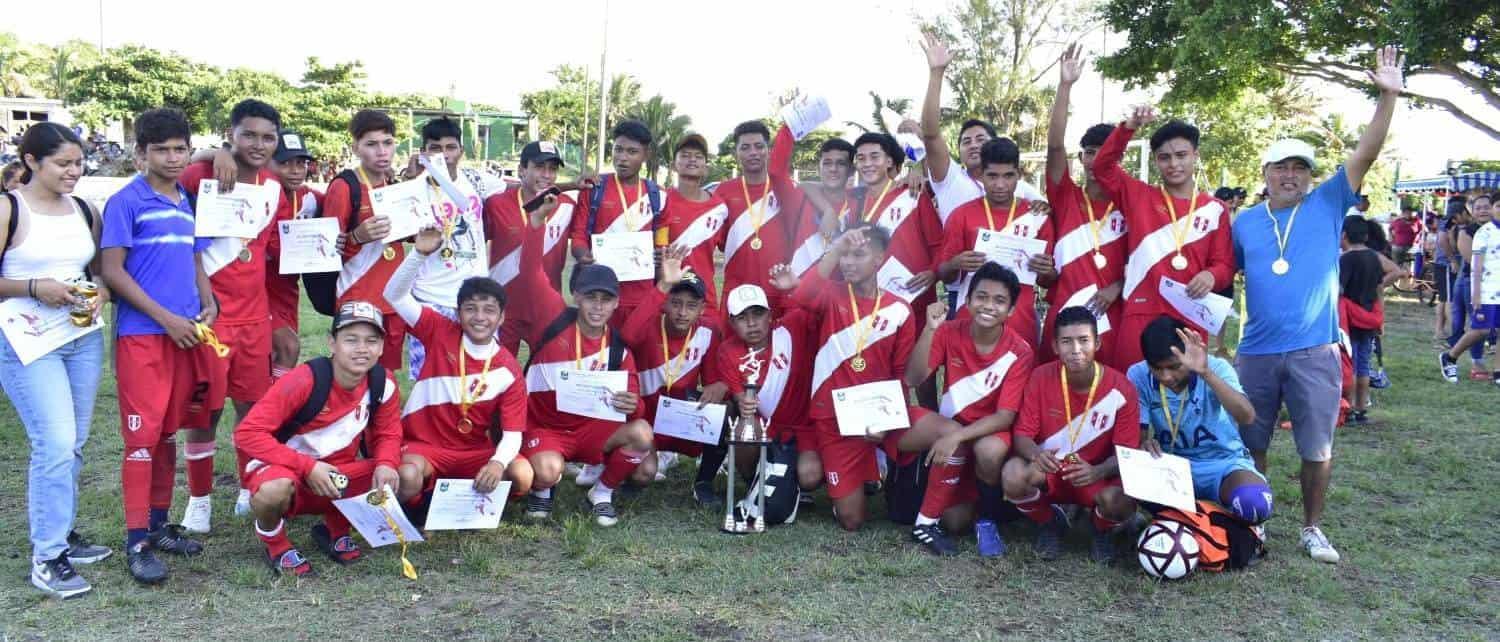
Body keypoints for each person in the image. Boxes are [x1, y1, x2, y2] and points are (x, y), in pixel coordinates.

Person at [1232, 45, 1402, 564]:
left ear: (1310, 175)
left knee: (1316, 447)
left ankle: (1311, 528)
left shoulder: (1328, 205)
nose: (1291, 175)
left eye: (1300, 168)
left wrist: (1387, 98)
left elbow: (1366, 154)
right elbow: (1227, 273)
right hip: (1257, 350)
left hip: (1316, 350)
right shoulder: (1243, 222)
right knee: (1252, 443)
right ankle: (1255, 525)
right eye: (1281, 167)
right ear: (1265, 172)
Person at [775, 225, 964, 548]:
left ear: (879, 259)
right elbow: (804, 293)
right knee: (852, 521)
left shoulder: (899, 310)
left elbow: (905, 377)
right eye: (844, 255)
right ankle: (859, 477)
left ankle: (926, 520)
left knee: (950, 432)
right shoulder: (832, 294)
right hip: (835, 419)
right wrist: (836, 246)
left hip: (881, 415)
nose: (848, 262)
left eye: (858, 254)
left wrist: (885, 421)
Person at [99, 108, 215, 584]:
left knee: (168, 432)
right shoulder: (126, 201)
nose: (171, 157)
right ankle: (136, 542)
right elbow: (111, 271)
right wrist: (166, 319)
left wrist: (208, 303)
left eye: (179, 149)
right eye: (160, 149)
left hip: (186, 334)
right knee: (141, 440)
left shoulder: (188, 197)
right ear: (140, 152)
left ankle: (159, 524)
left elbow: (194, 258)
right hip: (144, 338)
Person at [0, 123, 113, 597]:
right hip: (27, 342)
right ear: (31, 162)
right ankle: (47, 557)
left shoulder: (86, 208)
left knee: (75, 441)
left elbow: (100, 272)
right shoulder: (10, 207)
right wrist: (34, 287)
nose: (74, 172)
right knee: (55, 442)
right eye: (63, 164)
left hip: (81, 337)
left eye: (79, 163)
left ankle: (62, 533)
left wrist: (100, 294)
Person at [176, 99, 289, 533]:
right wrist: (212, 152)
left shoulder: (274, 185)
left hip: (254, 319)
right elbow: (181, 238)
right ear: (232, 133)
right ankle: (199, 500)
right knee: (205, 413)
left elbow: (270, 252)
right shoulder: (198, 173)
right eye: (248, 135)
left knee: (253, 409)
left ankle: (248, 484)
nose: (258, 145)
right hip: (210, 317)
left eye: (268, 137)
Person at [234, 301, 402, 576]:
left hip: (337, 475)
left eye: (371, 341)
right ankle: (275, 544)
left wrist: (386, 463)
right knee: (273, 491)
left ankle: (334, 528)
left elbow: (388, 433)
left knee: (400, 472)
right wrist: (307, 467)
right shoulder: (304, 380)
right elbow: (247, 434)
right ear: (332, 343)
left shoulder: (383, 383)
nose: (362, 349)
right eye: (351, 340)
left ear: (382, 347)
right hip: (289, 471)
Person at [517, 195, 651, 527]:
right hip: (548, 427)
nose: (597, 307)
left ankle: (602, 492)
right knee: (547, 471)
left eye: (606, 300)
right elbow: (531, 273)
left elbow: (636, 409)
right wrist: (535, 227)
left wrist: (632, 405)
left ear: (616, 304)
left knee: (642, 434)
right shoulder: (554, 318)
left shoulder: (618, 348)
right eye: (591, 297)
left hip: (593, 431)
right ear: (576, 295)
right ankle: (544, 488)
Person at [382, 226, 531, 514]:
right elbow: (395, 296)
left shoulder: (508, 368)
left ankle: (458, 500)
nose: (479, 317)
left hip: (472, 451)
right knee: (408, 477)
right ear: (458, 312)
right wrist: (418, 254)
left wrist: (497, 462)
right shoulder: (439, 330)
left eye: (489, 310)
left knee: (522, 473)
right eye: (470, 309)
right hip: (425, 447)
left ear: (501, 318)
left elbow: (513, 433)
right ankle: (420, 504)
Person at [904, 262, 1033, 557]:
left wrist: (958, 436)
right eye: (982, 297)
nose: (989, 306)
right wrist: (929, 330)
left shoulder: (1021, 351)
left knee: (989, 451)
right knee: (954, 522)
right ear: (967, 300)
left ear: (1012, 310)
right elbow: (913, 378)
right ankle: (974, 498)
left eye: (999, 301)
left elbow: (1005, 416)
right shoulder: (949, 331)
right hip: (953, 434)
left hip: (988, 433)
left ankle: (988, 519)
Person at [1091, 107, 1233, 367]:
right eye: (1164, 157)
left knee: (1185, 398)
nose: (1174, 164)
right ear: (1156, 160)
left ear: (1195, 155)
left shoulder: (1215, 209)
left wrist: (1211, 275)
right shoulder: (1138, 195)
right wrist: (1128, 126)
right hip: (1140, 311)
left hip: (1190, 312)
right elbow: (1102, 167)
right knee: (1134, 393)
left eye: (1181, 155)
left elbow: (1225, 264)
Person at [1003, 305, 1139, 562]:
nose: (1076, 350)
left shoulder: (1121, 387)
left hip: (1094, 475)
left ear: (1097, 342)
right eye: (1067, 342)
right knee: (1012, 475)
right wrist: (1036, 454)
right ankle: (1050, 522)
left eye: (1084, 340)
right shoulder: (1041, 377)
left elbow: (1127, 453)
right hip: (1051, 471)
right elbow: (1022, 435)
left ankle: (1101, 529)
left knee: (1122, 500)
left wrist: (1098, 471)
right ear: (1055, 346)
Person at [1131, 317, 1270, 525]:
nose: (1166, 376)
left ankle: (1202, 516)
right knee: (1130, 487)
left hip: (1224, 463)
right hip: (1172, 466)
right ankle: (1200, 517)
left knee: (1254, 504)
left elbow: (1247, 416)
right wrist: (1144, 443)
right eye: (1157, 369)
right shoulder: (1138, 374)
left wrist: (1206, 373)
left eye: (1174, 366)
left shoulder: (1216, 367)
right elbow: (1138, 438)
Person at [615, 248, 727, 495]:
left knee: (724, 412)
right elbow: (627, 335)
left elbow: (712, 382)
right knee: (645, 473)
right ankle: (625, 471)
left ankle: (703, 483)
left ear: (701, 309)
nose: (682, 312)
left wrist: (720, 386)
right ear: (665, 302)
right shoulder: (649, 322)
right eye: (676, 303)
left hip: (679, 420)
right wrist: (663, 285)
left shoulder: (707, 331)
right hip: (644, 418)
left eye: (691, 306)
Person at [400, 117, 503, 380]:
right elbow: (402, 232)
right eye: (435, 148)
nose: (444, 155)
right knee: (430, 380)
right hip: (431, 299)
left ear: (461, 151)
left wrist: (572, 186)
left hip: (473, 297)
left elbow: (523, 190)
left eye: (450, 147)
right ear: (423, 152)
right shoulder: (412, 189)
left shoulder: (477, 181)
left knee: (478, 377)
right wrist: (409, 180)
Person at [1043, 44, 1127, 368]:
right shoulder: (1066, 196)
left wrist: (1117, 286)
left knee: (1109, 396)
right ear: (1081, 157)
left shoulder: (1132, 204)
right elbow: (1054, 145)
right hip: (1064, 316)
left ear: (1118, 159)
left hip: (1112, 316)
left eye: (1106, 152)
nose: (1097, 160)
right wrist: (1065, 86)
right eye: (1091, 151)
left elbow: (1145, 263)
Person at [938, 138, 1055, 348]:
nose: (1000, 184)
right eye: (992, 176)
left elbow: (1047, 281)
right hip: (970, 323)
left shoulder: (1037, 216)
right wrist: (956, 263)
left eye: (1008, 176)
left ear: (1018, 174)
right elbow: (944, 274)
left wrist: (1046, 270)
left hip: (1020, 325)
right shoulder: (961, 215)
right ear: (981, 175)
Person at [710, 283, 822, 502]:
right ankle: (754, 482)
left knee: (810, 477)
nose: (752, 324)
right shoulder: (727, 351)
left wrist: (794, 286)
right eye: (742, 317)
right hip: (765, 426)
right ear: (732, 322)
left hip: (804, 427)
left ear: (770, 315)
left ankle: (792, 483)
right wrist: (742, 401)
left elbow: (818, 304)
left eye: (758, 314)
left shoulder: (792, 328)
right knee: (744, 430)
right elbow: (739, 396)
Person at [326, 110, 407, 371]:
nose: (382, 151)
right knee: (354, 372)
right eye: (371, 144)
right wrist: (357, 236)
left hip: (394, 298)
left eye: (388, 142)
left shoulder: (395, 185)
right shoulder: (344, 186)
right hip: (357, 295)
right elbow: (326, 251)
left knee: (387, 374)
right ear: (356, 148)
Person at [483, 140, 578, 353]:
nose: (546, 175)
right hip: (504, 306)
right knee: (499, 374)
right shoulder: (496, 204)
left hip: (546, 307)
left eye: (552, 169)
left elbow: (584, 241)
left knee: (546, 375)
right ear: (522, 170)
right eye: (539, 167)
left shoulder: (567, 207)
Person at [570, 119, 662, 326]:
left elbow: (663, 240)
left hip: (643, 295)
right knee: (601, 353)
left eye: (632, 152)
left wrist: (660, 254)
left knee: (640, 356)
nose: (622, 158)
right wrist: (583, 255)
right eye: (618, 150)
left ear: (645, 155)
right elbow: (578, 237)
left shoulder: (657, 195)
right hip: (600, 296)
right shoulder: (595, 188)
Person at [716, 120, 796, 317]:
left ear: (768, 150)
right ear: (737, 153)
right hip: (736, 291)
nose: (753, 152)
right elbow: (719, 242)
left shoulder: (785, 188)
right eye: (745, 147)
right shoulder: (723, 191)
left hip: (777, 288)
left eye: (759, 146)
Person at [266, 130, 321, 381]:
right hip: (258, 289)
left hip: (287, 291)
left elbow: (342, 202)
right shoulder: (263, 191)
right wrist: (219, 152)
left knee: (280, 354)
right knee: (288, 347)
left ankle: (269, 409)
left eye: (301, 163)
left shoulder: (307, 196)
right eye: (285, 163)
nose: (295, 170)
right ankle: (274, 408)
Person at [659, 133, 728, 311]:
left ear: (705, 167)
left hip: (704, 300)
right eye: (685, 155)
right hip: (666, 297)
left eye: (698, 156)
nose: (692, 160)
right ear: (674, 165)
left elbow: (729, 248)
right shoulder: (660, 200)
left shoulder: (719, 208)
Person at [1339, 216, 1397, 423]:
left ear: (1343, 234)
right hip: (1369, 318)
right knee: (1363, 365)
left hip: (1350, 320)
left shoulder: (1346, 259)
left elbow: (1339, 290)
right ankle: (1361, 407)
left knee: (1350, 364)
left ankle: (1349, 407)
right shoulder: (1373, 257)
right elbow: (1381, 285)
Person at [1441, 192, 1499, 385]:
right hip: (1479, 287)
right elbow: (1474, 264)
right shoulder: (1475, 232)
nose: (1483, 210)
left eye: (1486, 206)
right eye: (1478, 207)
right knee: (1480, 329)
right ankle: (1452, 357)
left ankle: (1497, 371)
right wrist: (1476, 294)